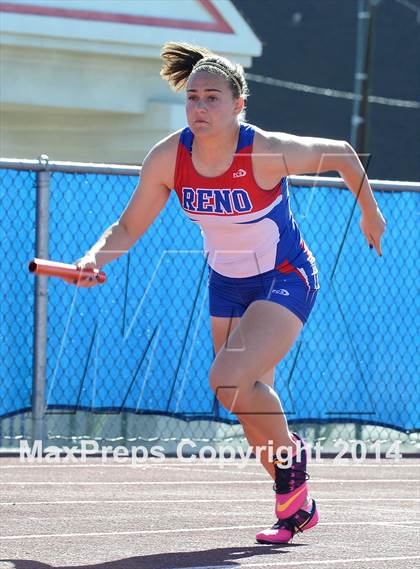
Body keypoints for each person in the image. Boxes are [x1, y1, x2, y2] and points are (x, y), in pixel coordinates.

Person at [66, 42, 386, 543]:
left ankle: (294, 459)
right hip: (227, 285)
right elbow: (127, 227)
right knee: (247, 407)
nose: (199, 107)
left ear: (239, 105)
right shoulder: (170, 157)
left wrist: (369, 210)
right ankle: (295, 509)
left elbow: (343, 154)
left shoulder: (264, 151)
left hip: (285, 275)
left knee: (227, 378)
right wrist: (93, 259)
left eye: (212, 97)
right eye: (192, 97)